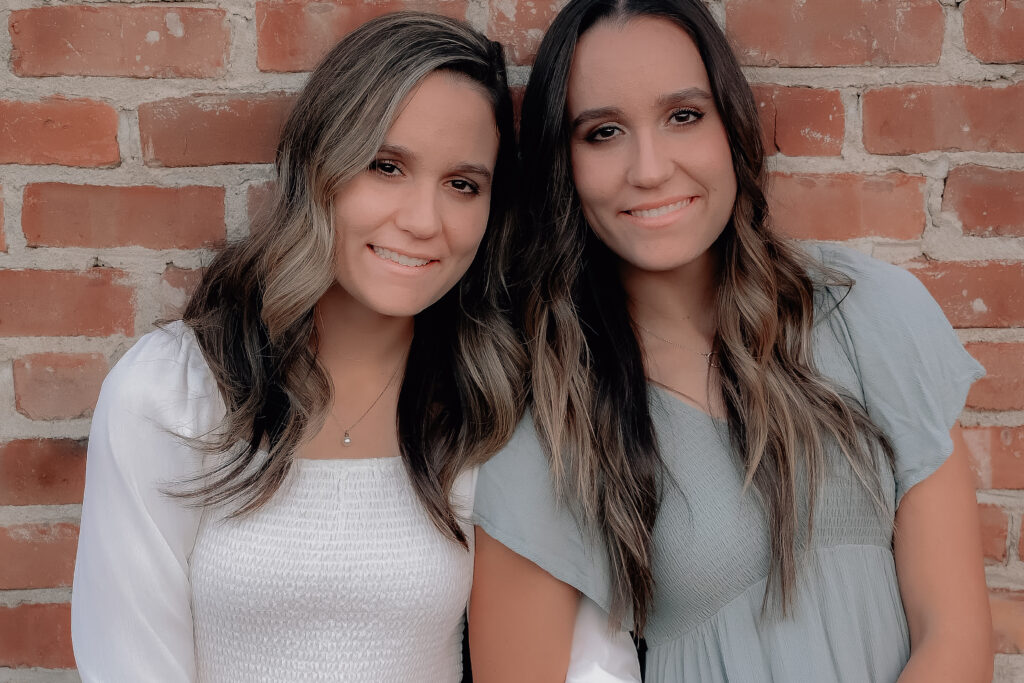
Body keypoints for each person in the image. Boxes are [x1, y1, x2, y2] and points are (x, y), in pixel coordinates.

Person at [469, 0, 994, 681]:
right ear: (561, 163)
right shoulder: (552, 423)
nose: (650, 168)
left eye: (683, 115)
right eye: (602, 133)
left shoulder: (871, 314)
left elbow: (955, 633)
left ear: (730, 126)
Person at [71, 12, 525, 681]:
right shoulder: (173, 390)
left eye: (463, 184)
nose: (425, 221)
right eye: (386, 165)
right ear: (319, 165)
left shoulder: (486, 405)